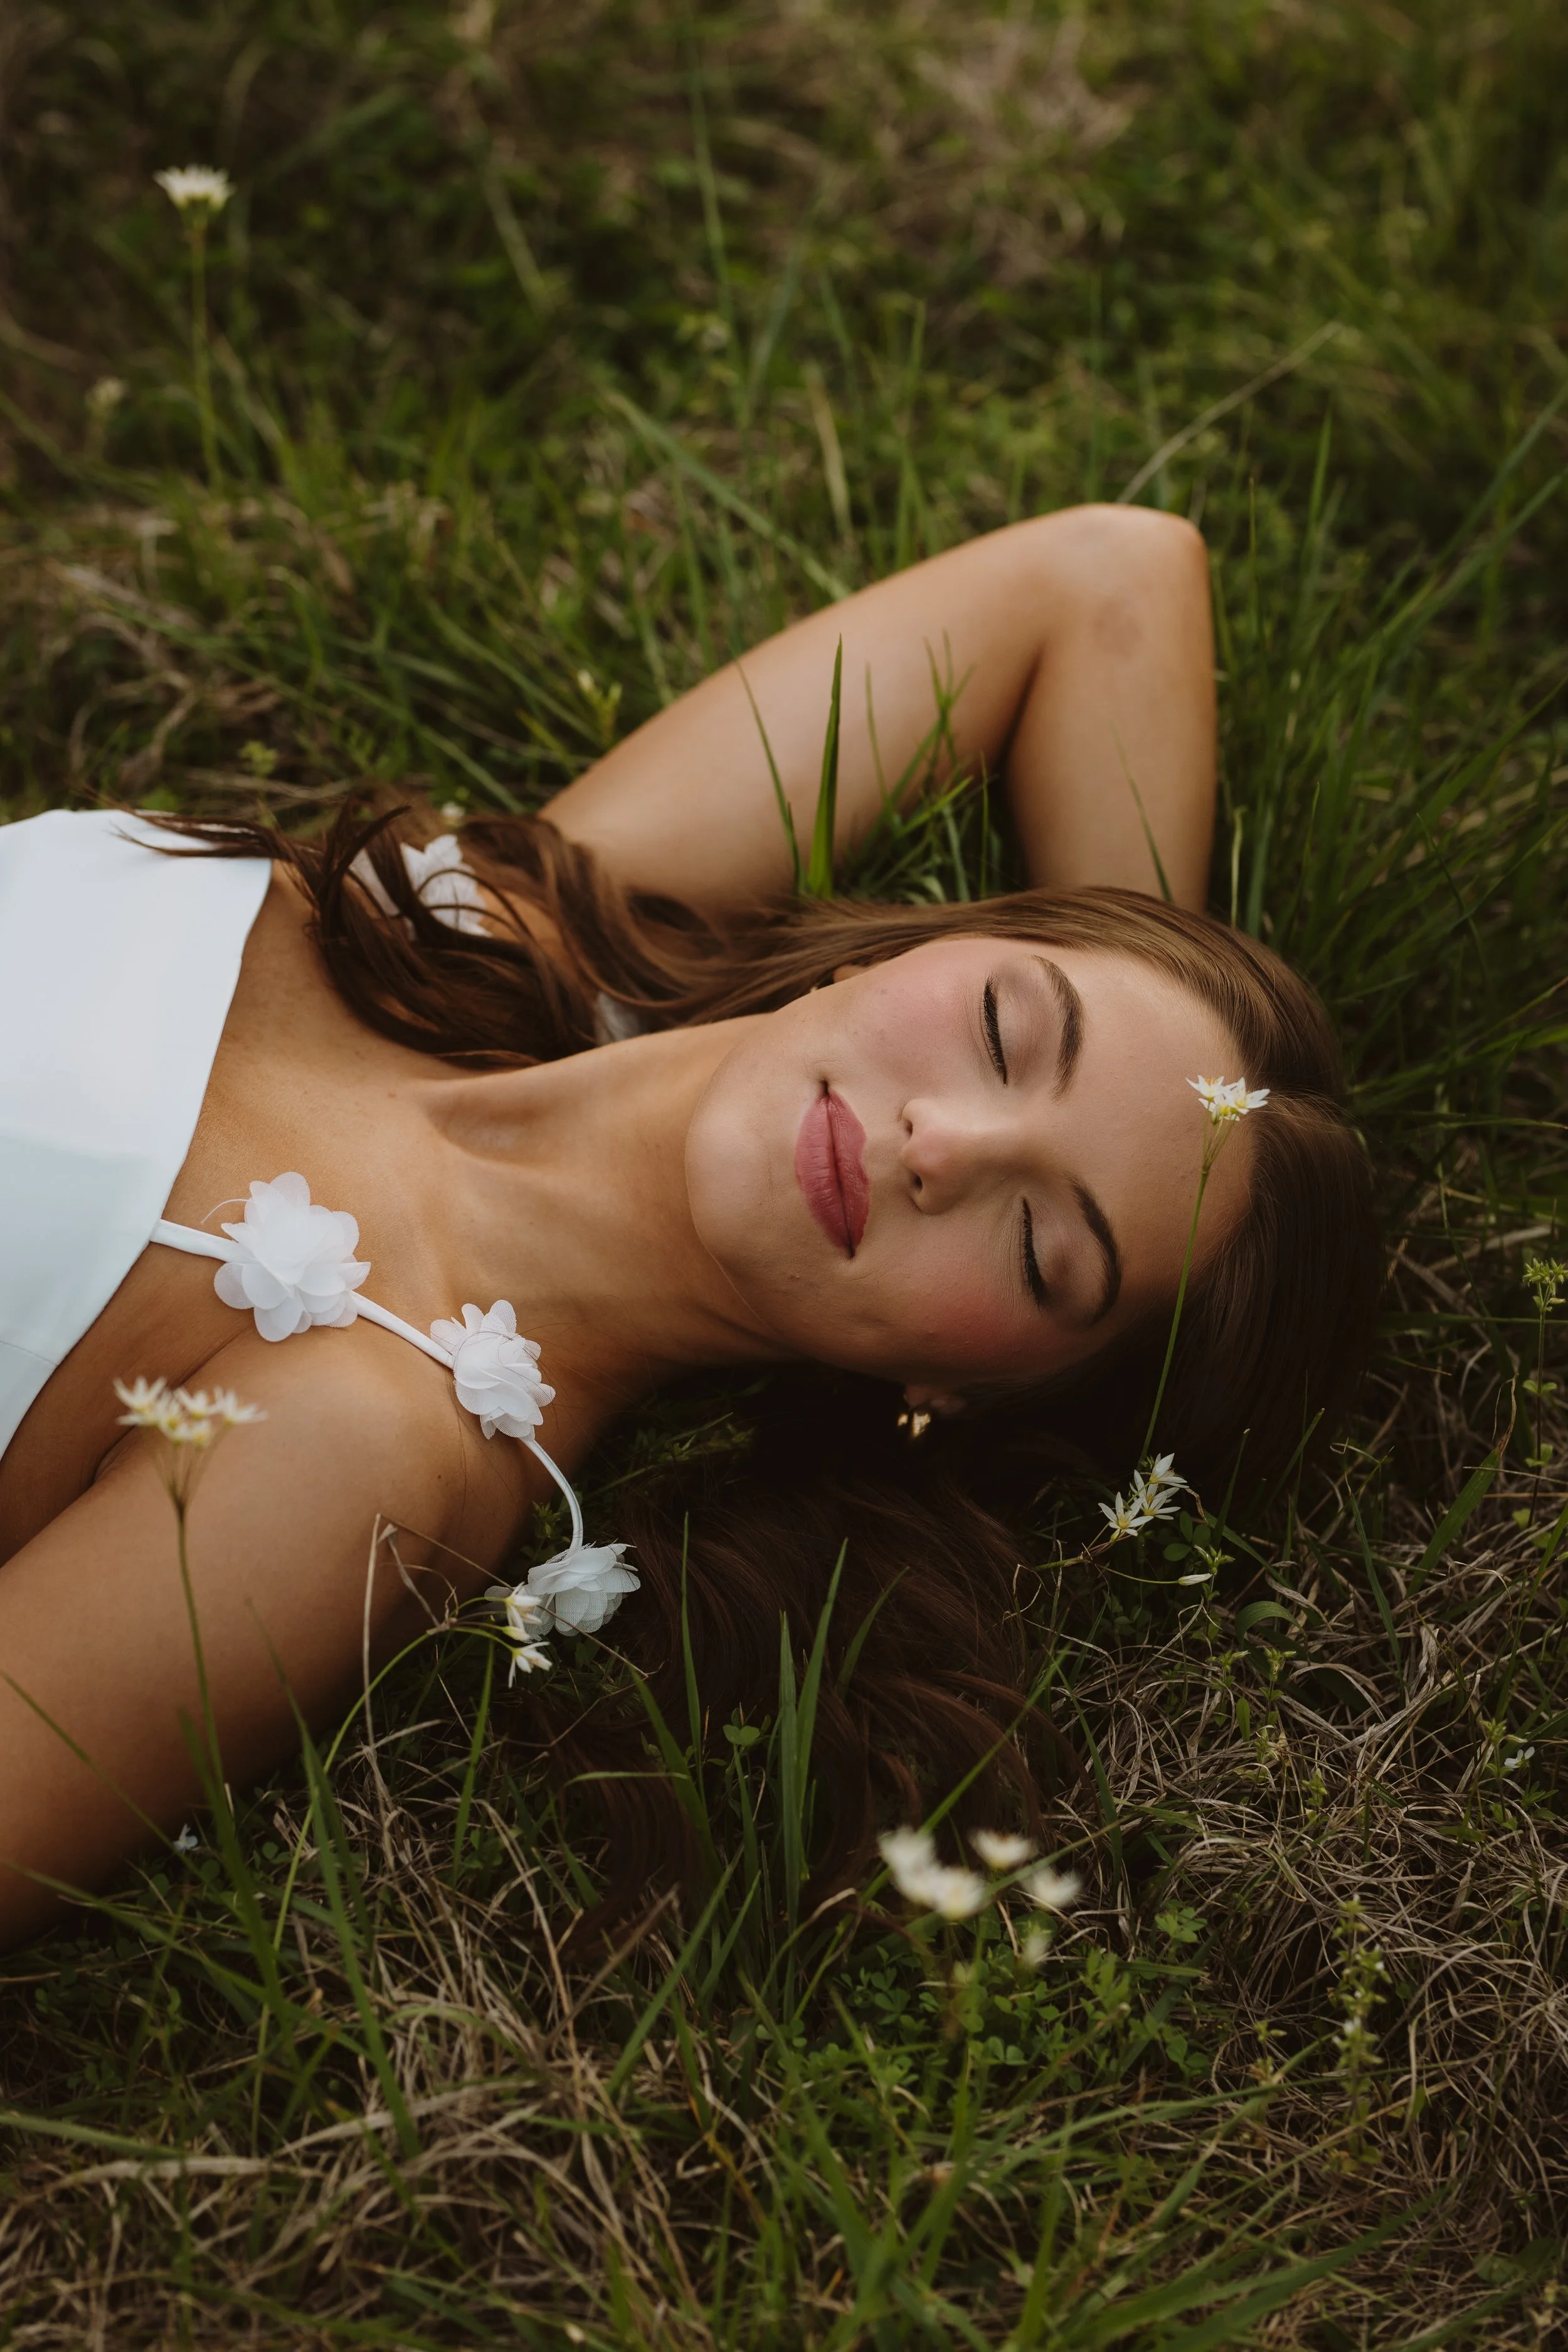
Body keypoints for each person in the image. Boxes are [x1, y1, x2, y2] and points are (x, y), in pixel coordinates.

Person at [0, 505, 1377, 1942]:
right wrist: (1176, 1056)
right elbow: (1109, 570)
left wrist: (1148, 1124)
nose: (942, 1145)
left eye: (1040, 1248)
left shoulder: (365, 1445)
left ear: (958, 1390)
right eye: (999, 1025)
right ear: (934, 940)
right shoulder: (493, 921)